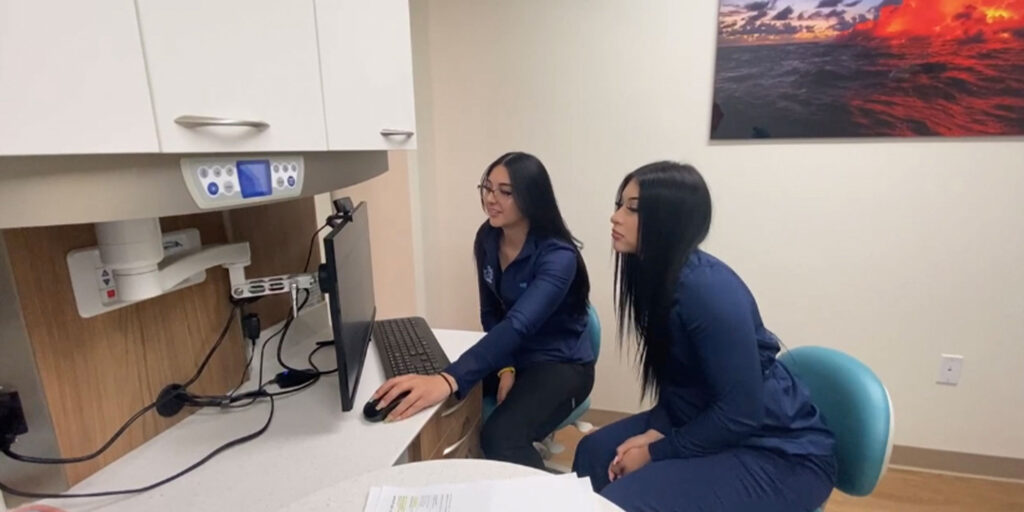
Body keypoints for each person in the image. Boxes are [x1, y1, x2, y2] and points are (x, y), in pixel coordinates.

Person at [573, 162, 836, 511]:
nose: (615, 217)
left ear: (670, 219)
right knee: (592, 454)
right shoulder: (657, 277)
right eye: (619, 204)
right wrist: (661, 429)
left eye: (632, 208)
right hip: (709, 421)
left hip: (781, 453)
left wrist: (658, 450)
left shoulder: (706, 291)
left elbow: (740, 414)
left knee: (623, 502)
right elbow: (679, 382)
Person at [372, 152, 595, 469]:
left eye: (505, 192)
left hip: (559, 364)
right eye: (487, 188)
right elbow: (492, 314)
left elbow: (518, 325)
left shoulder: (558, 256)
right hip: (514, 354)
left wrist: (448, 379)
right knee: (436, 399)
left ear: (531, 197)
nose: (491, 199)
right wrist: (505, 368)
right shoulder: (488, 237)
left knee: (501, 437)